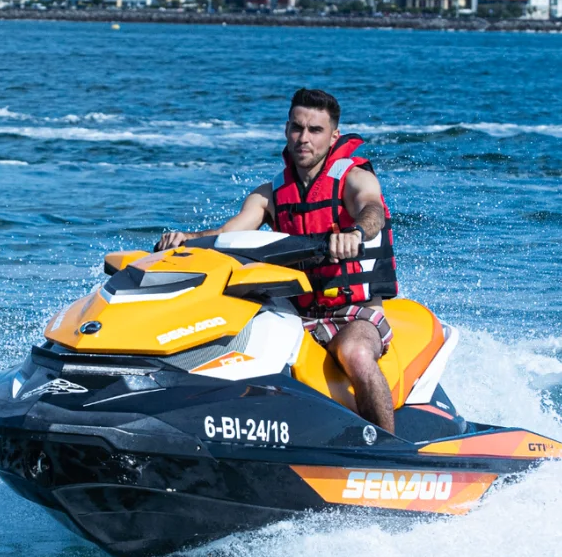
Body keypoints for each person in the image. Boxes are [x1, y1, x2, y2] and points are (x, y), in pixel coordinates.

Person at [156, 88, 398, 432]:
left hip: (352, 314)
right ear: (286, 130)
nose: (304, 138)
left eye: (315, 130)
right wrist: (186, 240)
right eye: (297, 128)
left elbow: (371, 207)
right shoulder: (270, 194)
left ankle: (388, 452)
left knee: (357, 355)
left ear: (333, 136)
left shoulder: (354, 179)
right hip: (294, 313)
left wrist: (356, 233)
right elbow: (229, 234)